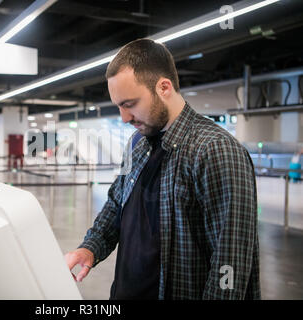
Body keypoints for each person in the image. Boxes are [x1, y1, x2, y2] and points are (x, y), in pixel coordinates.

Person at [64, 39, 260, 300]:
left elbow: (230, 261)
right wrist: (91, 247)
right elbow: (116, 205)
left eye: (130, 104)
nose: (124, 118)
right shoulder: (137, 143)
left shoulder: (215, 150)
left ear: (164, 87)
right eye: (119, 105)